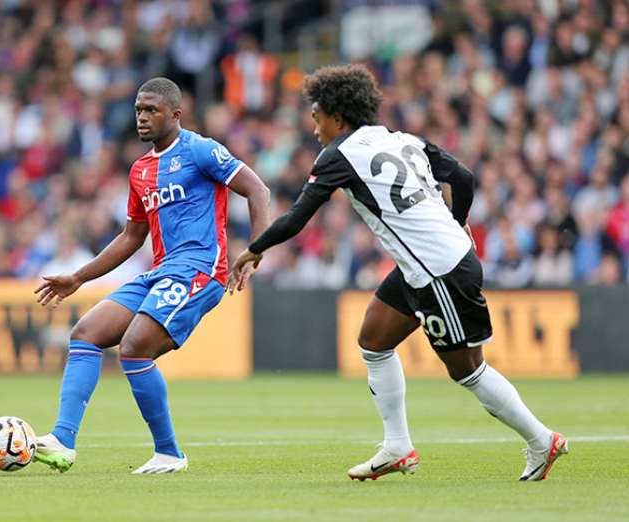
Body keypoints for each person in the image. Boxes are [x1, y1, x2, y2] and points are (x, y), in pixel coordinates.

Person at [229, 65, 567, 482]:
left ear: (337, 116)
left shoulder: (338, 154)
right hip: (427, 263)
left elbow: (298, 218)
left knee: (467, 370)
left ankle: (541, 440)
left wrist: (252, 249)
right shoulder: (402, 139)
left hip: (438, 270)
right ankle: (397, 446)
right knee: (373, 340)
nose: (314, 128)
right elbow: (463, 176)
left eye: (317, 118)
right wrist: (456, 221)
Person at [33, 77, 270, 474]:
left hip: (200, 270)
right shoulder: (140, 170)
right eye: (139, 110)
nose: (142, 118)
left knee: (134, 347)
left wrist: (256, 248)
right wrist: (78, 277)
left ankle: (169, 453)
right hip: (161, 272)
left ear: (175, 114)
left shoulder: (201, 150)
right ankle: (63, 440)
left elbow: (258, 191)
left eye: (151, 110)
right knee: (86, 333)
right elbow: (131, 238)